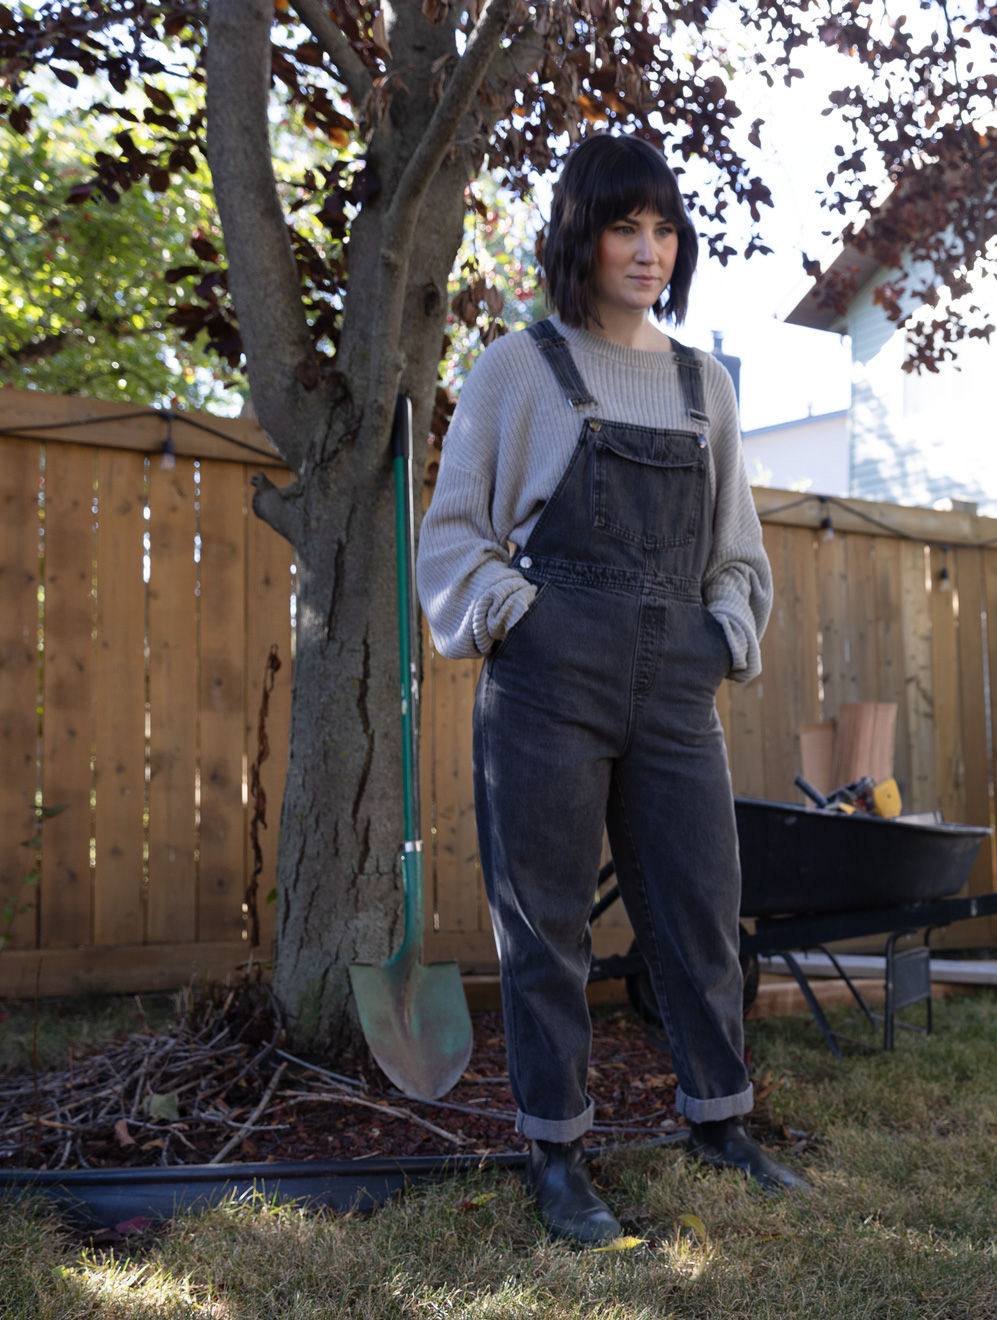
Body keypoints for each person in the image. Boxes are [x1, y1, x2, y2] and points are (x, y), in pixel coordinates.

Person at [420, 134, 805, 1245]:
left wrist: (720, 636)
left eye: (663, 231)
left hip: (675, 686)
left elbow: (738, 550)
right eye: (623, 228)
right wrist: (520, 621)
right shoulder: (520, 369)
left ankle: (722, 1124)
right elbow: (454, 539)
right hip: (548, 681)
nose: (647, 252)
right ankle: (555, 1153)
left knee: (697, 910)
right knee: (543, 926)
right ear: (579, 237)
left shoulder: (703, 386)